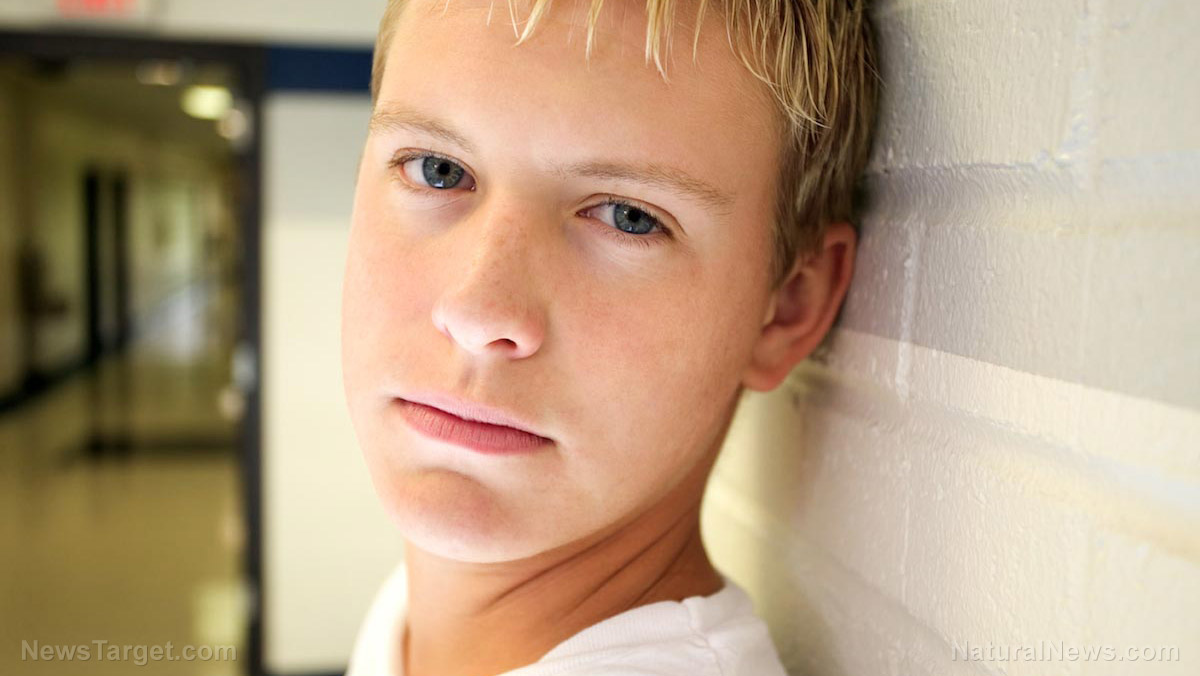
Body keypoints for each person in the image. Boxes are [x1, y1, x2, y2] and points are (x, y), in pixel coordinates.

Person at [340, 0, 878, 673]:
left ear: (787, 309)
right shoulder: (411, 616)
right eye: (436, 169)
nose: (478, 314)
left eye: (628, 217)